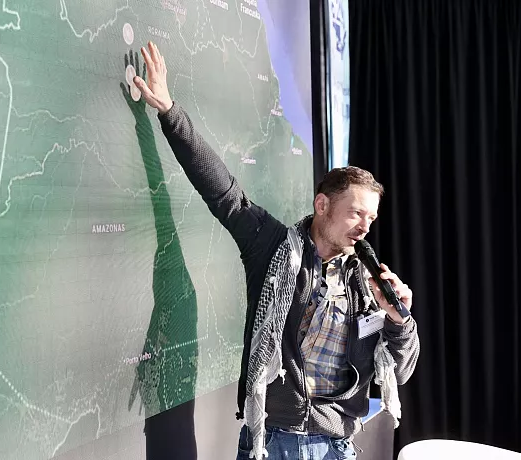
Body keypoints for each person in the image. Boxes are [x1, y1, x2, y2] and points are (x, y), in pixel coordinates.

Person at [130, 42, 420, 460]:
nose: (365, 225)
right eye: (356, 212)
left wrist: (398, 320)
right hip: (274, 442)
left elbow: (401, 371)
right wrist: (170, 112)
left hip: (338, 446)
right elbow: (224, 192)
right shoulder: (274, 248)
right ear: (322, 205)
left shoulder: (365, 281)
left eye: (371, 218)